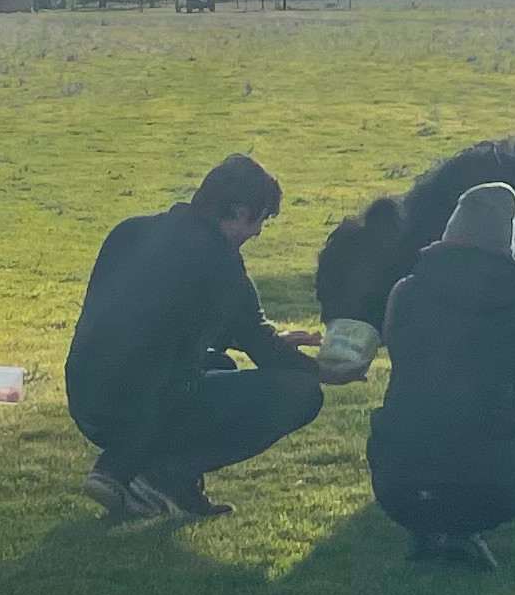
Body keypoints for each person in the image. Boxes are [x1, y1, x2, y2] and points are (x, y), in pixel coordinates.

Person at [67, 150, 323, 522]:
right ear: (236, 211)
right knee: (300, 393)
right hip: (139, 407)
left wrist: (274, 339)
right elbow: (261, 346)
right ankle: (154, 472)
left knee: (219, 363)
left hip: (87, 397)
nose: (257, 232)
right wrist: (323, 370)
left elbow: (155, 319)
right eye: (259, 219)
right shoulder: (219, 261)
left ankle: (156, 478)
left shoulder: (131, 231)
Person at [366, 179, 515, 570]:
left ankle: (428, 527)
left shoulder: (403, 293)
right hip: (490, 490)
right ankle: (461, 530)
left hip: (396, 482)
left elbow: (400, 360)